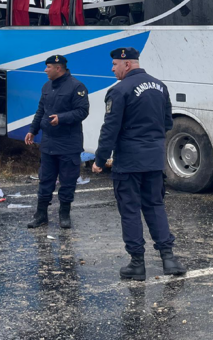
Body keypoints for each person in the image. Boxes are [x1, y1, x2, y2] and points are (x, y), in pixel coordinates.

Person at [92, 47, 186, 281]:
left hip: (129, 162)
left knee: (130, 210)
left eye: (115, 64)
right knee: (155, 206)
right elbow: (167, 123)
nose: (112, 69)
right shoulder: (159, 86)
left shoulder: (119, 90)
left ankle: (137, 264)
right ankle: (169, 259)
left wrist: (100, 159)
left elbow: (110, 129)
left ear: (127, 64)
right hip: (154, 160)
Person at [25, 55, 89, 229]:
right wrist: (32, 130)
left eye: (48, 67)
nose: (45, 70)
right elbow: (40, 111)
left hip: (69, 144)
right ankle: (41, 215)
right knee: (45, 180)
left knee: (68, 181)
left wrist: (62, 118)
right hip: (49, 143)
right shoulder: (46, 86)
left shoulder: (77, 87)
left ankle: (64, 214)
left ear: (58, 68)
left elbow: (82, 111)